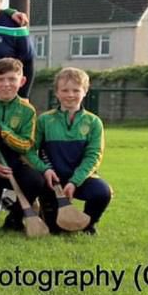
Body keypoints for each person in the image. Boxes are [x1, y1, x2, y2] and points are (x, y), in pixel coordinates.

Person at [0, 57, 53, 233]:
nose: (6, 84)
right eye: (1, 79)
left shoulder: (27, 110)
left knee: (36, 181)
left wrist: (3, 132)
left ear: (22, 81)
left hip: (15, 164)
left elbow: (26, 145)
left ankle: (14, 218)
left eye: (12, 79)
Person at [30, 67, 110, 234]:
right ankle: (45, 212)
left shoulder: (94, 122)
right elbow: (30, 151)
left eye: (76, 90)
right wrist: (45, 169)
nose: (70, 95)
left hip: (80, 179)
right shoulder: (45, 120)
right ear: (57, 93)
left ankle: (88, 225)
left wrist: (75, 181)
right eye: (64, 90)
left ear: (85, 92)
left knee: (102, 192)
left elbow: (94, 155)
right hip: (52, 181)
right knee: (55, 230)